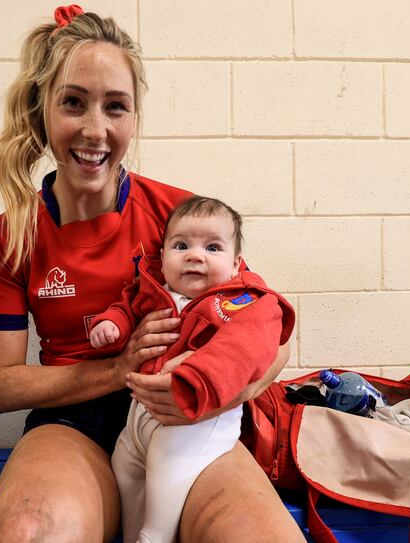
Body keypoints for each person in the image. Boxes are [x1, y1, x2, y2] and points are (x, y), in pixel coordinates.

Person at [0, 5, 304, 542]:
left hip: (182, 420)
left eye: (116, 107)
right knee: (30, 532)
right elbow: (0, 385)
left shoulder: (182, 220)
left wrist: (211, 390)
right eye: (73, 103)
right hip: (70, 423)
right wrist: (117, 369)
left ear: (134, 117)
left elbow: (274, 335)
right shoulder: (8, 234)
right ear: (42, 110)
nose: (95, 129)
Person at [89, 196, 295, 542]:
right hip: (140, 416)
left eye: (213, 248)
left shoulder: (241, 302)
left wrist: (198, 374)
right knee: (125, 469)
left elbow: (245, 348)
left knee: (166, 478)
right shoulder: (153, 290)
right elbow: (125, 307)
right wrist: (112, 325)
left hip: (196, 419)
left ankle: (154, 537)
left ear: (235, 265)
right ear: (163, 256)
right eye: (181, 245)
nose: (195, 255)